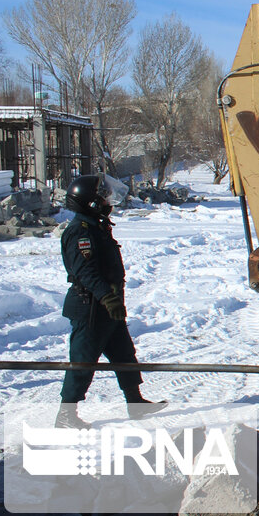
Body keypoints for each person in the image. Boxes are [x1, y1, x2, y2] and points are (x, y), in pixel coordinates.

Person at [58, 175, 165, 427]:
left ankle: (135, 402)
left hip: (108, 306)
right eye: (102, 197)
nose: (108, 201)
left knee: (124, 355)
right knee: (83, 361)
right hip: (91, 307)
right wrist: (107, 297)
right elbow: (86, 272)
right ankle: (65, 415)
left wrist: (113, 299)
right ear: (90, 203)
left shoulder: (96, 226)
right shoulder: (79, 232)